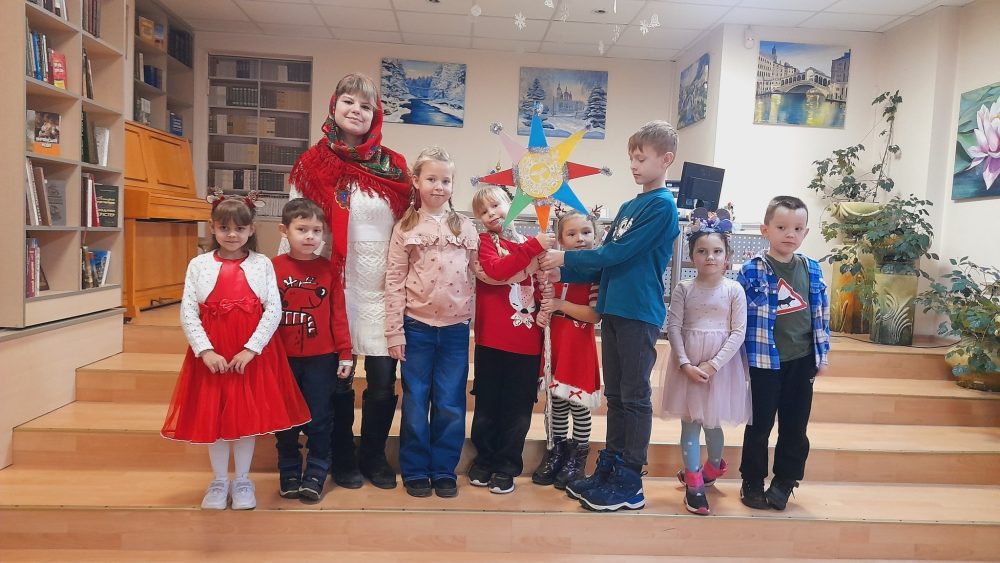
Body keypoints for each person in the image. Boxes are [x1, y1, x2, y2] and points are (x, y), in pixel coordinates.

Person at [539, 120, 681, 511]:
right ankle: (612, 465)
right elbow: (604, 264)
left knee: (634, 396)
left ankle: (630, 479)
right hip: (615, 308)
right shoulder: (629, 206)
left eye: (641, 158)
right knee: (617, 395)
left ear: (666, 160)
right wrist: (561, 272)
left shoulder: (662, 207)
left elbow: (617, 254)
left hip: (638, 310)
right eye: (631, 157)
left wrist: (566, 258)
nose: (633, 165)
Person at [285, 73, 410, 490]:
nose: (357, 110)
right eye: (349, 102)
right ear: (334, 106)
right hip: (334, 286)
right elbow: (297, 226)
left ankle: (373, 456)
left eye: (365, 105)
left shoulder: (395, 166)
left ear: (376, 115)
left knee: (382, 380)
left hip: (383, 286)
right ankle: (340, 456)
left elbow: (409, 226)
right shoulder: (310, 164)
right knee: (337, 379)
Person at [161, 197, 311, 511]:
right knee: (215, 419)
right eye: (224, 228)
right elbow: (188, 312)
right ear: (212, 228)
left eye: (239, 228)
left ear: (251, 229)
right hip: (213, 356)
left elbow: (273, 310)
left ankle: (242, 480)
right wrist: (205, 351)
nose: (232, 234)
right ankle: (219, 481)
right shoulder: (199, 265)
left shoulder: (262, 264)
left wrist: (251, 349)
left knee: (245, 420)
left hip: (249, 357)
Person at [383, 146, 484, 499]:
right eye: (431, 179)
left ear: (453, 184)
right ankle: (415, 470)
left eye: (446, 180)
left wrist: (525, 256)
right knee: (415, 401)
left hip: (455, 330)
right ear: (416, 181)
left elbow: (482, 271)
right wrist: (394, 331)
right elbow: (394, 280)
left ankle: (443, 470)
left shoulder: (465, 226)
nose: (439, 186)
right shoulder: (406, 227)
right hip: (416, 328)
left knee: (451, 402)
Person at [738, 195, 830, 511]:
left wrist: (822, 354)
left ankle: (785, 480)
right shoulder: (752, 270)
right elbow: (738, 316)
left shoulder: (812, 269)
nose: (790, 234)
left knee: (795, 426)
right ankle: (752, 480)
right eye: (781, 227)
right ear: (765, 230)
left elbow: (822, 314)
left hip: (801, 360)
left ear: (805, 233)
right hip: (764, 361)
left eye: (797, 228)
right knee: (759, 425)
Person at [658, 226, 751, 515]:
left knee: (712, 424)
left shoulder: (734, 289)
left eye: (717, 251)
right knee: (690, 424)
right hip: (687, 366)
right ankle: (694, 482)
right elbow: (673, 327)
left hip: (721, 368)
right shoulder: (683, 288)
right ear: (692, 256)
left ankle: (713, 465)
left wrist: (713, 365)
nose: (710, 257)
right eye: (702, 251)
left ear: (727, 257)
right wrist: (684, 363)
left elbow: (738, 332)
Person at [468, 185, 554, 495]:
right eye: (483, 211)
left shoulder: (530, 244)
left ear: (512, 204)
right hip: (491, 339)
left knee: (518, 408)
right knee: (487, 403)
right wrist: (533, 248)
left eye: (496, 205)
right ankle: (485, 459)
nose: (491, 214)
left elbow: (543, 287)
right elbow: (497, 270)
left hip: (526, 341)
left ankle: (506, 465)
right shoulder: (483, 243)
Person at [272, 198, 354, 501]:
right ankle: (289, 468)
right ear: (284, 230)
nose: (310, 236)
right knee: (285, 418)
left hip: (321, 359)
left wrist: (345, 352)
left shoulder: (328, 269)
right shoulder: (271, 268)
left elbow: (337, 314)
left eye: (316, 231)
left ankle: (317, 469)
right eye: (302, 229)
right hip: (282, 359)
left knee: (320, 417)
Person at [532, 210, 603, 490]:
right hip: (556, 343)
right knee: (556, 404)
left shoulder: (595, 273)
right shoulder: (553, 272)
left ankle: (578, 456)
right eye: (571, 234)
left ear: (596, 236)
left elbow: (594, 315)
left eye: (586, 232)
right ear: (560, 240)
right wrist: (544, 312)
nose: (580, 239)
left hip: (578, 346)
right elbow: (542, 304)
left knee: (578, 405)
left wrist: (560, 305)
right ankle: (557, 451)